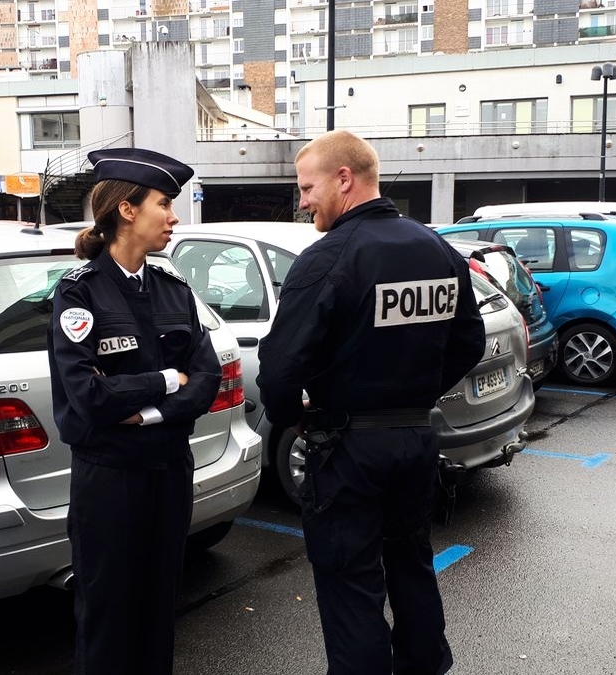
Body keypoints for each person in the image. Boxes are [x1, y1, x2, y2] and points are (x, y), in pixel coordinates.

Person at [256, 129, 486, 675]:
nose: (303, 200)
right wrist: (416, 394)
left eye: (308, 187)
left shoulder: (327, 258)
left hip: (348, 449)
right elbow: (469, 342)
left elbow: (281, 367)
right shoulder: (437, 249)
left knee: (349, 583)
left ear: (344, 179)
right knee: (411, 564)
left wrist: (295, 414)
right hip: (413, 443)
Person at [47, 147, 221, 675]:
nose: (174, 217)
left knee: (158, 606)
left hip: (168, 470)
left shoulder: (173, 288)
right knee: (107, 611)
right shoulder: (80, 295)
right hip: (110, 479)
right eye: (164, 204)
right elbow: (91, 399)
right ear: (127, 210)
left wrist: (148, 411)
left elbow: (208, 378)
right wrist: (169, 380)